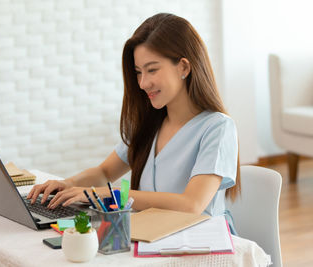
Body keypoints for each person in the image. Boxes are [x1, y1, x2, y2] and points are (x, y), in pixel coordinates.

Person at [27, 13, 240, 234]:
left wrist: (109, 194)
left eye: (152, 70)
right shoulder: (150, 124)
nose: (142, 83)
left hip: (201, 241)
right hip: (150, 235)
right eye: (138, 72)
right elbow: (104, 171)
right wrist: (68, 184)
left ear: (184, 67)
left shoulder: (217, 128)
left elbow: (191, 205)